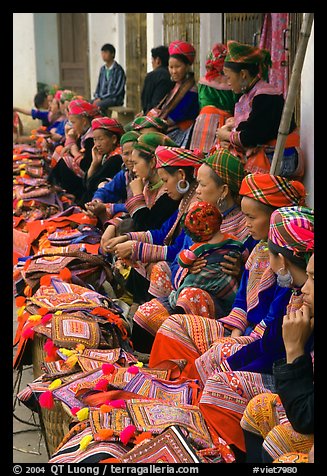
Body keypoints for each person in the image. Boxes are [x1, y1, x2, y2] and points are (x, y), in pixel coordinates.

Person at [148, 174, 307, 380]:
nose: (247, 223)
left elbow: (272, 324)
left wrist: (238, 340)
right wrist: (235, 333)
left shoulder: (287, 268)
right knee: (173, 325)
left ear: (275, 217)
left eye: (252, 218)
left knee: (216, 350)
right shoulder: (257, 250)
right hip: (239, 329)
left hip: (258, 340)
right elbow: (241, 299)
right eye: (245, 216)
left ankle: (188, 385)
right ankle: (168, 379)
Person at [197, 206, 314, 462]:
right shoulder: (291, 289)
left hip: (286, 378)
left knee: (223, 380)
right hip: (286, 373)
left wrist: (292, 349)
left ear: (281, 260)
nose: (307, 284)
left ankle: (221, 448)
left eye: (313, 278)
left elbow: (272, 349)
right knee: (220, 354)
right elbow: (248, 311)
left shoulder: (296, 296)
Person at [216, 40, 303, 179]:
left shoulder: (265, 96)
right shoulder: (251, 94)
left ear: (243, 74)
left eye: (229, 77)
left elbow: (250, 136)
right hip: (270, 155)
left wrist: (226, 135)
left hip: (281, 158)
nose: (228, 82)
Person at [99, 132, 179, 241]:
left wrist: (137, 195)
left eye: (136, 163)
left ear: (152, 162)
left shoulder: (169, 192)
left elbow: (145, 227)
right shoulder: (147, 185)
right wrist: (113, 225)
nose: (134, 169)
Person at [190, 43, 241, 153]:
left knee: (199, 155)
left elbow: (200, 103)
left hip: (202, 123)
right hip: (224, 125)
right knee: (217, 157)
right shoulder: (233, 83)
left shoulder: (203, 82)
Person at [147, 40, 199, 147]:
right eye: (171, 67)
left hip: (181, 132)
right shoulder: (175, 86)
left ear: (187, 66)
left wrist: (154, 123)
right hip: (168, 127)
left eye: (177, 67)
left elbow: (175, 117)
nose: (174, 71)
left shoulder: (191, 90)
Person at [84, 130, 140, 226]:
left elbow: (142, 205)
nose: (130, 158)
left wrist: (109, 207)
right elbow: (107, 190)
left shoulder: (146, 175)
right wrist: (96, 201)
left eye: (134, 153)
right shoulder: (126, 173)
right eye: (126, 154)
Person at [47, 98, 100, 200]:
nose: (72, 126)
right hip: (83, 171)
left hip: (89, 176)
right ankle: (53, 185)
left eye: (73, 122)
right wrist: (69, 141)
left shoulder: (91, 138)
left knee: (64, 160)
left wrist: (74, 151)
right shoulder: (83, 134)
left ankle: (72, 193)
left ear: (84, 122)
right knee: (61, 152)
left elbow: (86, 165)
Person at [93, 44, 126, 115]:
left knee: (98, 105)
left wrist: (101, 98)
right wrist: (97, 96)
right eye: (102, 53)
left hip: (114, 99)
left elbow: (116, 91)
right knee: (88, 104)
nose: (103, 55)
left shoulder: (119, 70)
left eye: (106, 53)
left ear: (112, 54)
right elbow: (99, 85)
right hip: (102, 98)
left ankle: (104, 122)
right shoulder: (103, 69)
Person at [140, 45, 174, 116]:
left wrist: (144, 113)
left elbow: (145, 101)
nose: (152, 63)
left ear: (158, 60)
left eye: (152, 60)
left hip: (153, 116)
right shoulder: (173, 75)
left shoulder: (152, 76)